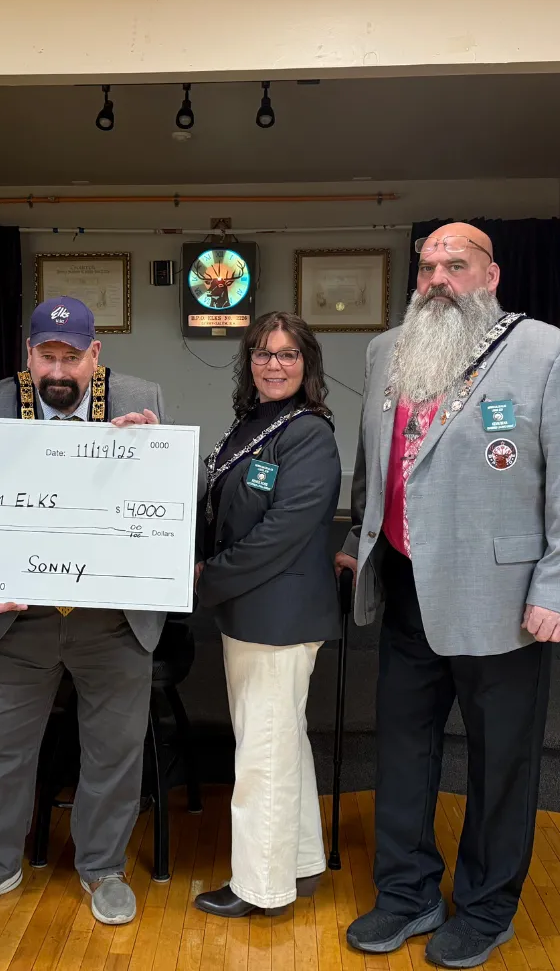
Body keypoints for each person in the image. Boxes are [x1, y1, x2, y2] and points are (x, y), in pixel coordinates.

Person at [337, 223, 560, 969]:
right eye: (427, 266)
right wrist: (359, 536)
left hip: (504, 600)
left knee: (501, 762)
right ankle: (406, 894)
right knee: (402, 751)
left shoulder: (550, 354)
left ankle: (488, 908)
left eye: (455, 265)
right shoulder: (387, 351)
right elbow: (377, 461)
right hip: (406, 589)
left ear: (490, 277)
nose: (437, 279)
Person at [0, 296, 166, 927]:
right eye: (46, 356)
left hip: (109, 617)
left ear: (96, 353)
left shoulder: (139, 398)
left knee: (114, 750)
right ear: (28, 353)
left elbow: (176, 502)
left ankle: (103, 866)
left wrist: (153, 453)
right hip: (15, 618)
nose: (58, 371)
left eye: (72, 357)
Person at [192, 312, 341, 919]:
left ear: (307, 364)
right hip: (252, 611)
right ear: (248, 361)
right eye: (262, 353)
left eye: (287, 355)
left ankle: (261, 887)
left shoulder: (309, 434)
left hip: (280, 617)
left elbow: (281, 532)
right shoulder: (253, 423)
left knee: (262, 755)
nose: (273, 365)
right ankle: (299, 862)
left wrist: (208, 574)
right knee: (281, 743)